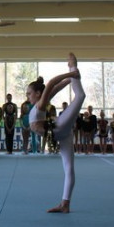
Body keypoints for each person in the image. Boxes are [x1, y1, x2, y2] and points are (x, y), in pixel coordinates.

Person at [27, 53, 84, 213]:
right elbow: (56, 87)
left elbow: (52, 83)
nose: (27, 97)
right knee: (68, 168)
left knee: (80, 96)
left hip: (58, 128)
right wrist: (70, 79)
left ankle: (73, 65)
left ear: (38, 93)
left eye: (29, 93)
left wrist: (71, 73)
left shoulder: (40, 104)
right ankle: (65, 204)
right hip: (61, 134)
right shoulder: (40, 102)